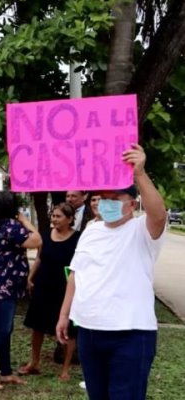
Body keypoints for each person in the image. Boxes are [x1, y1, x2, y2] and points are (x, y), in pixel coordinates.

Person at [56, 144, 167, 400]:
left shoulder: (142, 231)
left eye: (115, 199)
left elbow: (159, 215)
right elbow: (76, 274)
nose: (106, 203)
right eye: (103, 198)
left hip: (130, 335)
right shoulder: (91, 231)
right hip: (89, 331)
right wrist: (65, 314)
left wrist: (139, 173)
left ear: (131, 204)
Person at [0, 191, 42, 390]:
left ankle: (5, 372)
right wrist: (24, 220)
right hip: (4, 286)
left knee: (5, 329)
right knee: (1, 330)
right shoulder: (11, 227)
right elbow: (37, 240)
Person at [20, 203, 81, 380]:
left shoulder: (78, 238)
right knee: (37, 326)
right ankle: (34, 362)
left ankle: (65, 369)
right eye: (53, 216)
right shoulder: (45, 236)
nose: (54, 219)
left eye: (59, 216)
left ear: (69, 219)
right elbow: (39, 257)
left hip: (65, 287)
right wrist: (30, 277)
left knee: (67, 330)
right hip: (43, 284)